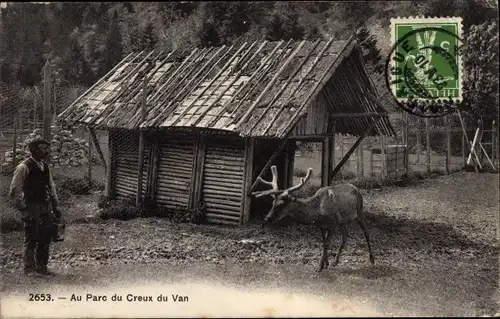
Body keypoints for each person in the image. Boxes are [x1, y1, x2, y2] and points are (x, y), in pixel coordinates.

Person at [8, 138, 63, 276]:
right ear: (34, 150)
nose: (47, 151)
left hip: (45, 206)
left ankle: (42, 266)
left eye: (47, 148)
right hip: (31, 206)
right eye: (43, 148)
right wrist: (23, 209)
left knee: (46, 236)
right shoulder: (23, 167)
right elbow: (15, 190)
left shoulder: (45, 166)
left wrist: (56, 206)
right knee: (32, 236)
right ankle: (29, 268)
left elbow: (51, 187)